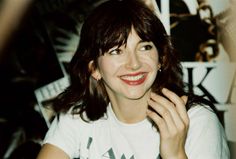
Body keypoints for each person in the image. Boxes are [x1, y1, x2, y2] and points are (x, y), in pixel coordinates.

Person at [36, 0, 230, 159]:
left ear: (160, 58)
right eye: (116, 51)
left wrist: (175, 154)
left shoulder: (197, 121)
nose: (134, 64)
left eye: (144, 47)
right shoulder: (77, 117)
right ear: (94, 68)